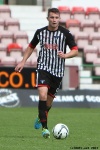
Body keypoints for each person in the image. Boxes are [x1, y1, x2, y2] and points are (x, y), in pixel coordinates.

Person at [15, 8, 78, 139]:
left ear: (59, 19)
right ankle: (45, 128)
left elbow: (75, 50)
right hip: (43, 68)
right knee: (42, 94)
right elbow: (31, 46)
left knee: (48, 103)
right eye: (52, 17)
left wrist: (65, 55)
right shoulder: (40, 32)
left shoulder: (65, 33)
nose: (54, 20)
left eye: (56, 17)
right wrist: (23, 61)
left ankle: (40, 116)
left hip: (58, 71)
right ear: (47, 18)